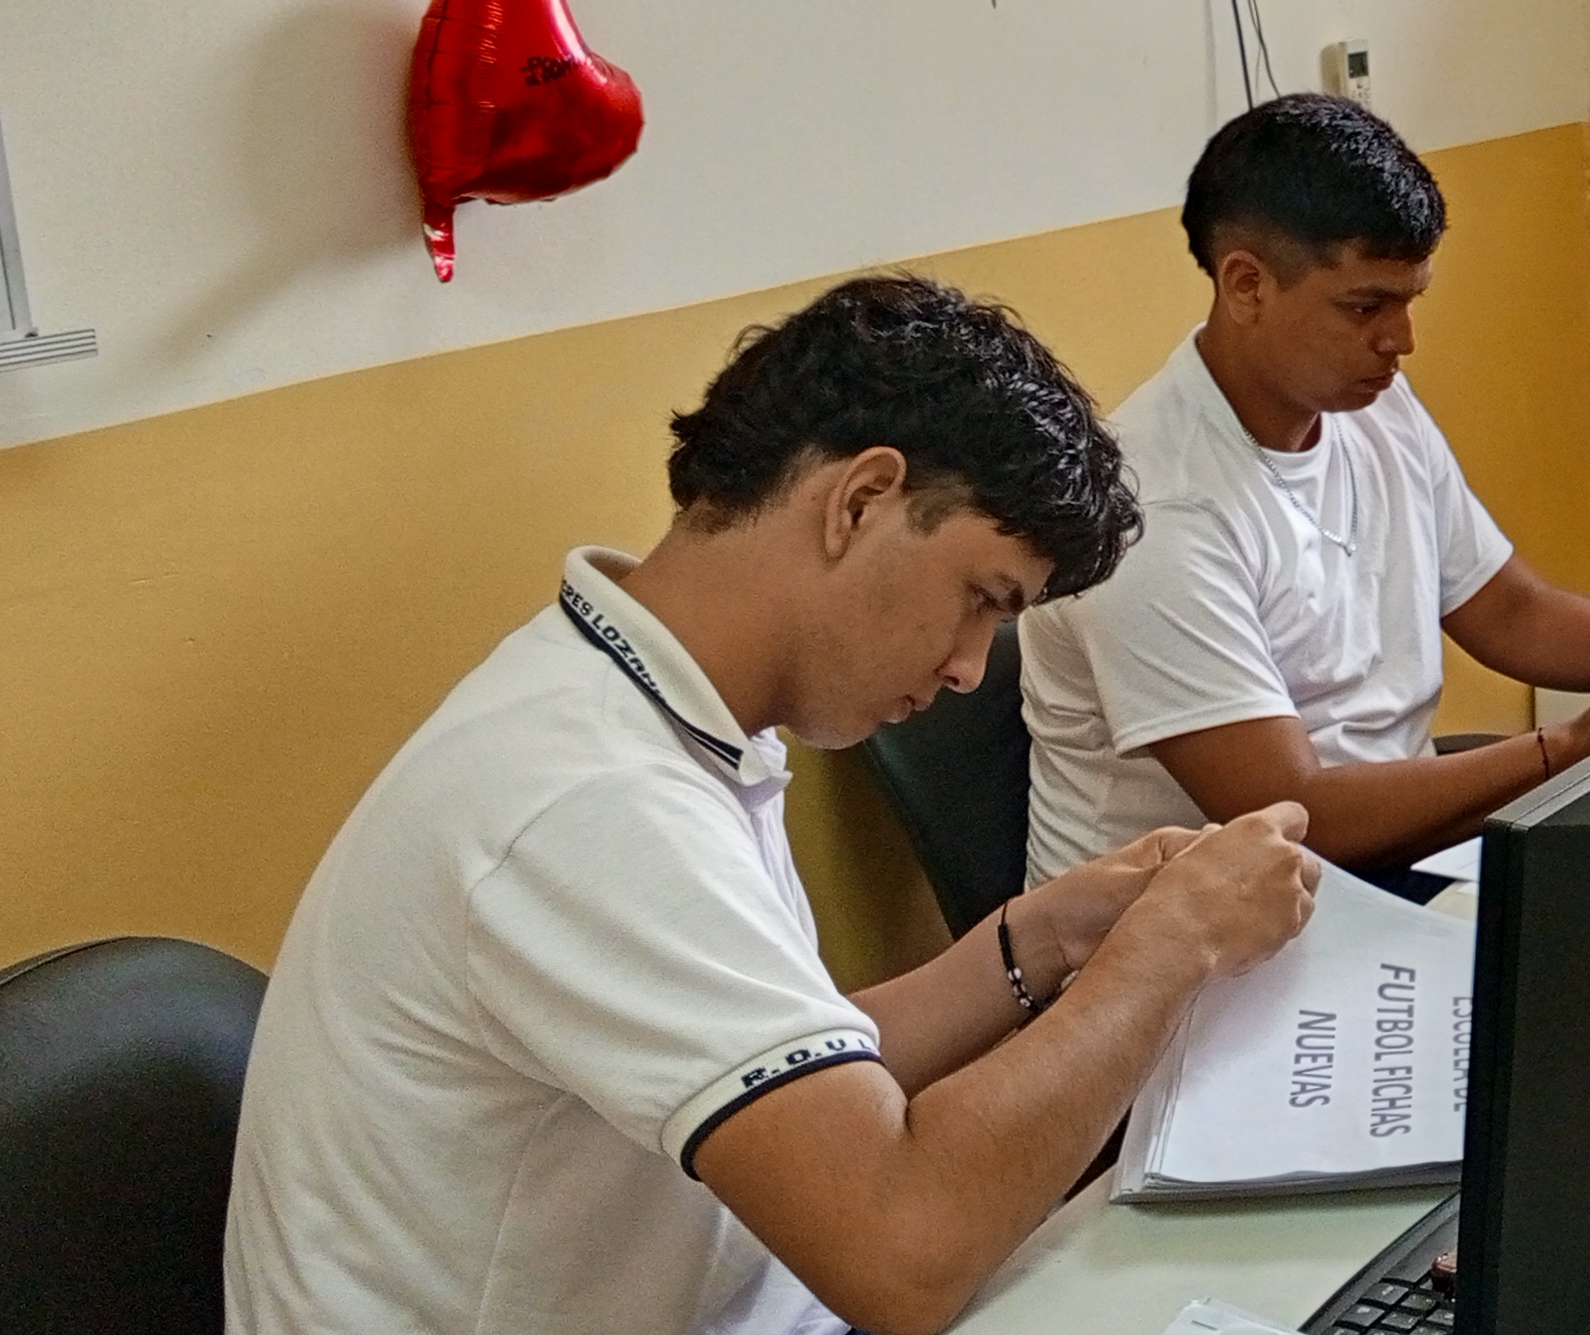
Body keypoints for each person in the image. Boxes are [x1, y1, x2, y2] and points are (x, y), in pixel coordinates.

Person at [225, 276, 1323, 1335]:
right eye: (981, 600)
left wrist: (1045, 935)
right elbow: (900, 1257)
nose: (967, 668)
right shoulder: (591, 803)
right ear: (860, 501)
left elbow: (808, 1083)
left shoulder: (654, 702)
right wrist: (1169, 949)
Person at [1019, 93, 1590, 882]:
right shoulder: (1151, 511)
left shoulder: (1369, 404)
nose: (1401, 339)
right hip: (1188, 925)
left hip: (1380, 866)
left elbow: (1508, 611)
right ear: (1247, 285)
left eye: (1409, 299)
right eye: (1366, 306)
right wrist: (1569, 745)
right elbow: (1295, 817)